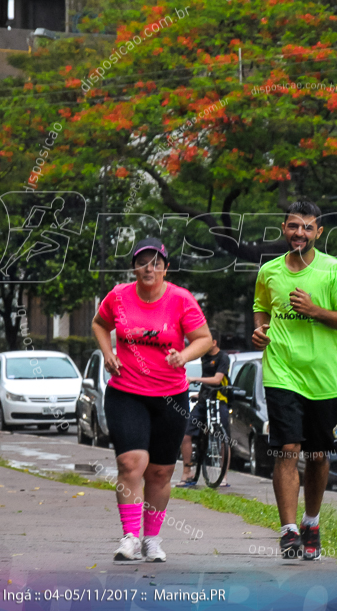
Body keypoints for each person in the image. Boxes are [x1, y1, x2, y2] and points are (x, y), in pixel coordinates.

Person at [91, 237, 213, 563]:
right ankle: (130, 537)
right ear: (134, 267)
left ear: (165, 267)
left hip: (169, 397)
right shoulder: (118, 296)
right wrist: (107, 354)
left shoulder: (181, 300)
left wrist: (183, 355)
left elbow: (204, 339)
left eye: (156, 262)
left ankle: (152, 540)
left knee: (159, 473)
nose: (149, 267)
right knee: (131, 463)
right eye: (143, 262)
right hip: (126, 392)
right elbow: (100, 324)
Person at [252, 200, 337, 560]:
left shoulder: (335, 271)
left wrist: (315, 310)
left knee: (316, 456)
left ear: (319, 232)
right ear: (284, 229)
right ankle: (288, 531)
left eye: (307, 227)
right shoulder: (269, 272)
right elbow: (261, 307)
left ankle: (311, 522)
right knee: (288, 449)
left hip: (324, 377)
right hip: (281, 372)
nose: (300, 233)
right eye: (294, 226)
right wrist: (259, 331)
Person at [177, 337, 231, 487]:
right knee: (186, 434)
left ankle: (223, 476)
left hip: (219, 399)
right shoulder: (204, 357)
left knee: (223, 437)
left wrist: (194, 379)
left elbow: (217, 380)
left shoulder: (223, 358)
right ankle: (187, 472)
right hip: (203, 399)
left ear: (214, 342)